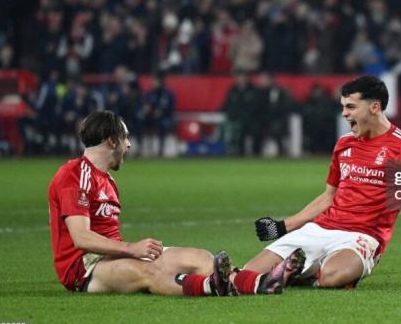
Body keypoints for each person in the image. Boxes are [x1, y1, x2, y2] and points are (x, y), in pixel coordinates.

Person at [48, 110, 296, 296]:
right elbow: (82, 239)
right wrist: (133, 249)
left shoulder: (108, 181)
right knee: (151, 273)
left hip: (114, 255)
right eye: (126, 139)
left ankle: (261, 283)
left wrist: (131, 251)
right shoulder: (74, 175)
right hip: (85, 267)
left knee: (199, 257)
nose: (129, 145)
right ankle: (212, 286)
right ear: (112, 141)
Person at [245, 75, 401, 288]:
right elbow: (328, 196)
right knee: (250, 273)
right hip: (319, 229)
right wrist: (283, 226)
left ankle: (296, 272)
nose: (344, 113)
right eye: (343, 107)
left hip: (362, 237)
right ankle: (297, 271)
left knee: (331, 277)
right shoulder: (344, 143)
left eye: (351, 107)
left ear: (374, 107)